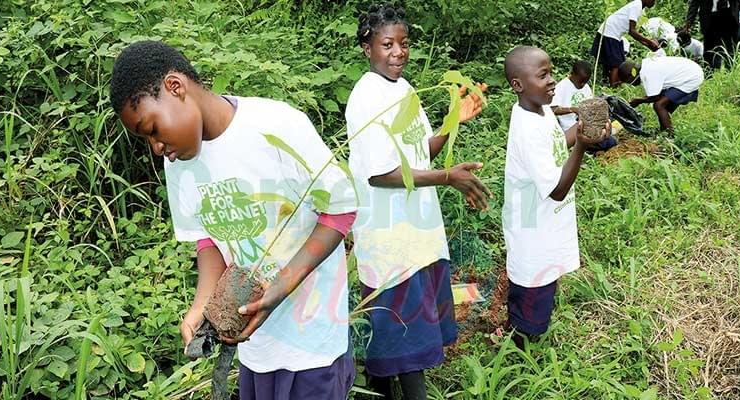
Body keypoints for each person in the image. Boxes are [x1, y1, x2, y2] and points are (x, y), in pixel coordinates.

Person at [110, 41, 359, 400]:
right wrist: (201, 305)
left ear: (175, 87)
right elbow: (208, 239)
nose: (157, 148)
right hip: (255, 346)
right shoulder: (180, 164)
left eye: (152, 129)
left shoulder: (276, 126)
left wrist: (282, 286)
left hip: (313, 340)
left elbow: (340, 209)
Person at [344, 4, 490, 399]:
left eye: (404, 44)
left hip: (417, 232)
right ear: (366, 48)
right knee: (404, 337)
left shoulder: (404, 89)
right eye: (387, 44)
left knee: (399, 333)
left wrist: (453, 119)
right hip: (390, 238)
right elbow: (381, 173)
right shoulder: (366, 97)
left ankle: (380, 387)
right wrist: (447, 178)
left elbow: (419, 149)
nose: (398, 52)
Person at [502, 46, 609, 350]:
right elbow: (557, 189)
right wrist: (583, 147)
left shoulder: (541, 110)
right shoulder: (526, 127)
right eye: (543, 75)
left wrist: (581, 130)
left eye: (551, 72)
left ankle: (528, 336)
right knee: (532, 289)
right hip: (532, 224)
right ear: (517, 85)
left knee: (543, 285)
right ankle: (519, 349)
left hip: (543, 220)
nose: (552, 81)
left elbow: (556, 145)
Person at [619, 57, 704, 133]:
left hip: (691, 77)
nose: (631, 84)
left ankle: (669, 134)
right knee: (664, 104)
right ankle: (663, 129)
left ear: (631, 75)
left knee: (659, 105)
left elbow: (655, 97)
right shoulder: (647, 66)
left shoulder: (649, 74)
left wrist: (638, 100)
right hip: (689, 72)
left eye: (628, 81)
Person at [591, 0, 660, 87]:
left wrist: (648, 45)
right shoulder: (636, 5)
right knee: (616, 64)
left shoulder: (638, 7)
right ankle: (613, 87)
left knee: (620, 62)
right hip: (610, 32)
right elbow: (632, 31)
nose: (654, 2)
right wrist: (649, 41)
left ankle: (611, 84)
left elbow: (633, 33)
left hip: (615, 35)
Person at [679, 0, 740, 69]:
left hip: (729, 16)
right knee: (710, 50)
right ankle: (710, 73)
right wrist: (688, 23)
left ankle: (731, 71)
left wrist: (736, 7)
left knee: (730, 48)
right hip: (710, 18)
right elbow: (694, 3)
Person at [551, 60, 594, 132]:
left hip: (585, 124)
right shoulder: (562, 87)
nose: (583, 85)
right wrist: (573, 109)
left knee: (610, 140)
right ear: (572, 74)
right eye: (581, 82)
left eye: (585, 82)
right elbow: (552, 109)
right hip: (569, 129)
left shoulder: (586, 87)